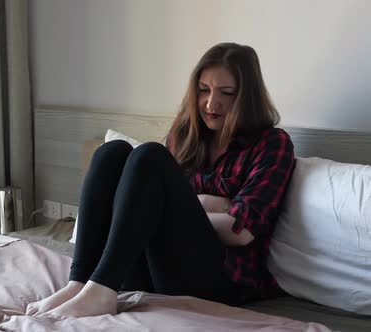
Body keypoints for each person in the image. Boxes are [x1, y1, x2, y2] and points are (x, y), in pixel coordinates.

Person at [26, 42, 295, 318]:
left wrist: (172, 211)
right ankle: (80, 282)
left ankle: (103, 290)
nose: (212, 104)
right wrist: (207, 205)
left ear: (246, 97)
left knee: (149, 156)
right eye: (203, 90)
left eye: (226, 93)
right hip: (153, 271)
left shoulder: (271, 144)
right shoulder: (186, 134)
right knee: (111, 153)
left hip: (218, 282)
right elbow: (152, 201)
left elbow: (241, 233)